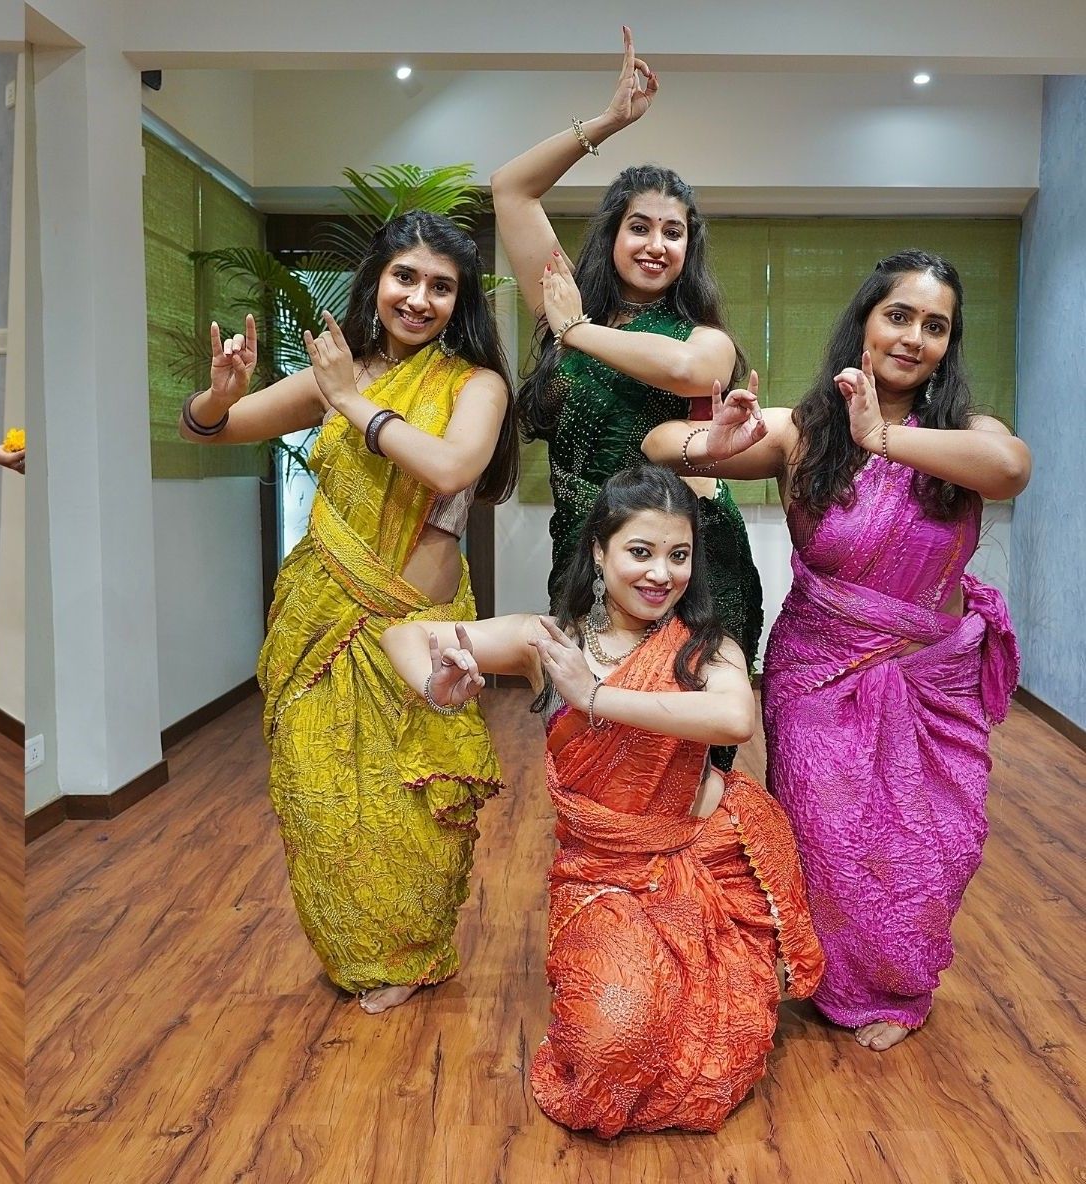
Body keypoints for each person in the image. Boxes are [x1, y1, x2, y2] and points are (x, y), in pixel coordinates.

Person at [645, 249, 1030, 1051]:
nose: (913, 337)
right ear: (863, 320)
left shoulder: (967, 433)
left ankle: (898, 977)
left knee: (936, 844)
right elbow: (658, 444)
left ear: (947, 347)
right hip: (820, 673)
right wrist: (706, 442)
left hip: (932, 681)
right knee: (835, 839)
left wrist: (887, 438)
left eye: (935, 326)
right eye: (898, 315)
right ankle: (844, 981)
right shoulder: (806, 431)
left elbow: (1008, 469)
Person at [383, 464, 823, 1136]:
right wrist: (436, 682)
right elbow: (403, 634)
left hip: (696, 860)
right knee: (607, 1047)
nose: (660, 574)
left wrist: (594, 696)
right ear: (598, 551)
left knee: (710, 1045)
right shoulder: (549, 641)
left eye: (678, 556)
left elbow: (734, 721)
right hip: (599, 879)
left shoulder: (707, 648)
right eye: (639, 552)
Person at [178, 211, 519, 1014]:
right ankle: (356, 948)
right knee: (321, 796)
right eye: (406, 277)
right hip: (320, 618)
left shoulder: (475, 385)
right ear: (378, 282)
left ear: (458, 300)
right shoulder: (340, 372)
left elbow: (451, 466)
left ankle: (409, 948)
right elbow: (213, 430)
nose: (419, 298)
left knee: (411, 810)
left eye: (441, 286)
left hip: (413, 626)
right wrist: (219, 393)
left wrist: (350, 402)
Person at [490, 26, 764, 741]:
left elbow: (692, 370)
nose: (654, 244)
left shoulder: (695, 334)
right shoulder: (564, 305)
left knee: (685, 760)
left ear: (687, 249)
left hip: (690, 562)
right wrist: (608, 121)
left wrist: (577, 334)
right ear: (611, 234)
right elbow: (510, 189)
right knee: (590, 743)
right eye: (638, 226)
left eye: (672, 233)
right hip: (585, 558)